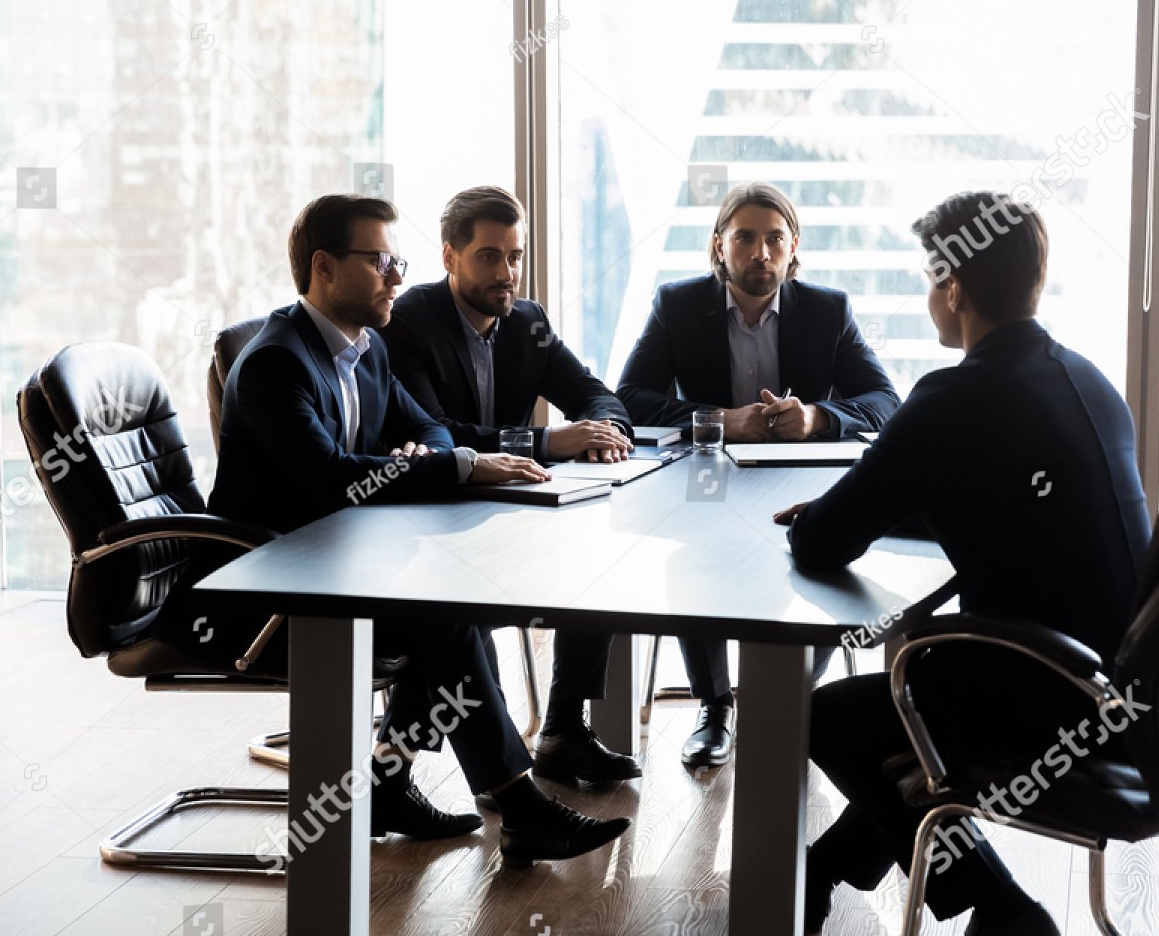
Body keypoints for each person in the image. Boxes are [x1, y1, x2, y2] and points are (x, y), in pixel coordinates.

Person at [188, 192, 630, 865]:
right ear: (324, 266)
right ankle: (514, 805)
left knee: (448, 608)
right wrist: (459, 465)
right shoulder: (278, 362)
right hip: (267, 587)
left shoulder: (363, 347)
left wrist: (432, 455)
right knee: (446, 616)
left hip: (341, 563)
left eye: (398, 262)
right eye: (380, 261)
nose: (396, 276)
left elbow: (424, 424)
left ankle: (396, 783)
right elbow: (335, 478)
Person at [774, 192, 1151, 936]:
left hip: (1049, 691)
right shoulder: (1083, 377)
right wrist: (894, 503)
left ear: (952, 288)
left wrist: (847, 509)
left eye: (929, 278)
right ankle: (824, 868)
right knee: (900, 727)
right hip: (1130, 684)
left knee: (829, 717)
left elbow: (820, 542)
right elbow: (1005, 493)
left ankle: (1000, 904)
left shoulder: (953, 396)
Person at [617, 181, 901, 768]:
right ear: (718, 245)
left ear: (794, 248)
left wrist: (818, 417)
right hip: (707, 484)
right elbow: (630, 398)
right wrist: (719, 420)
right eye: (744, 238)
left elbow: (884, 401)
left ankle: (788, 698)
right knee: (694, 552)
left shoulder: (827, 310)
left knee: (823, 554)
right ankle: (715, 705)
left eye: (774, 239)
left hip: (800, 480)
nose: (760, 253)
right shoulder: (677, 304)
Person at [380, 186, 639, 786]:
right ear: (450, 256)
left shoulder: (528, 322)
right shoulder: (409, 322)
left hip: (512, 510)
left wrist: (606, 431)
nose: (506, 273)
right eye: (489, 256)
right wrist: (547, 441)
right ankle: (410, 772)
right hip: (431, 513)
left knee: (600, 564)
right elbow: (436, 432)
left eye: (515, 256)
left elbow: (595, 393)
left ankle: (563, 732)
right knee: (457, 614)